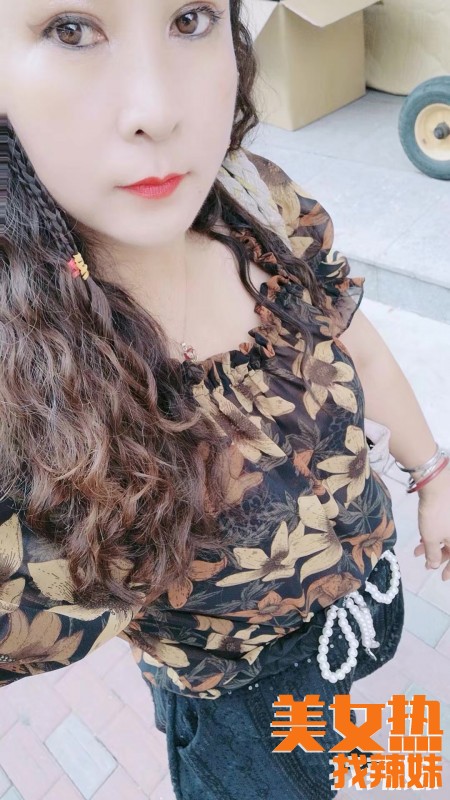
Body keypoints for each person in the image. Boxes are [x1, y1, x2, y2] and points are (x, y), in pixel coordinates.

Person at [0, 2, 449, 799]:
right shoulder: (22, 376)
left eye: (190, 18)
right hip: (240, 704)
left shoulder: (255, 201)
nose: (158, 109)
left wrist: (433, 473)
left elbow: (353, 339)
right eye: (70, 29)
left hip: (364, 596)